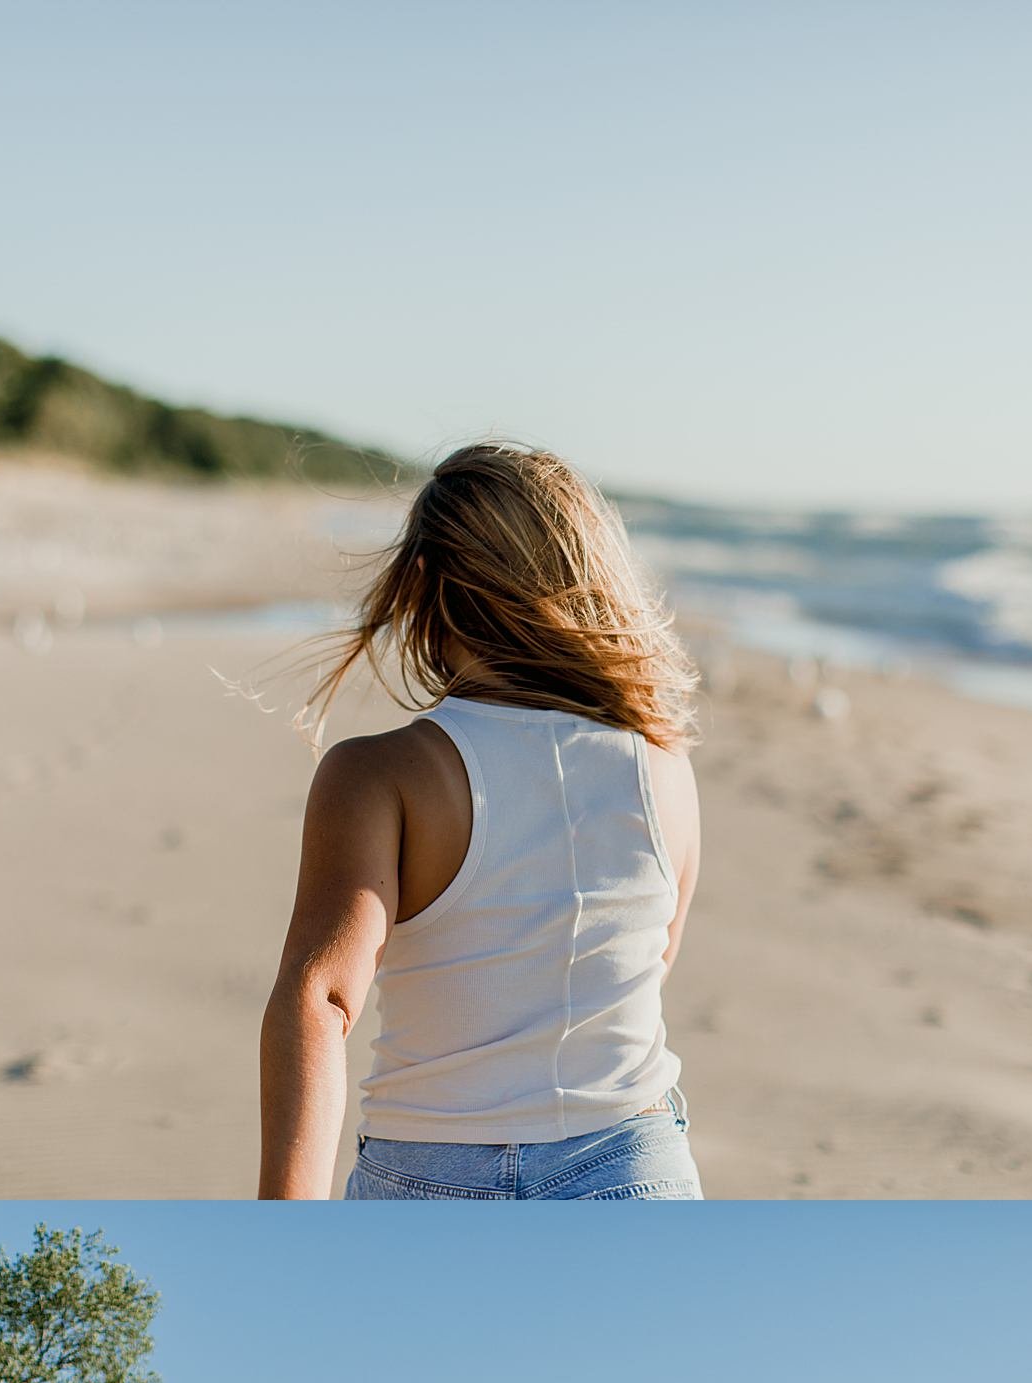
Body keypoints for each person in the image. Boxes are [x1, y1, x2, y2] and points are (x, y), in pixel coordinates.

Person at [259, 442, 704, 1201]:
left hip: (429, 1168)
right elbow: (646, 961)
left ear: (424, 585)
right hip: (634, 1165)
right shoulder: (662, 770)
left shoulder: (379, 774)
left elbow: (321, 999)